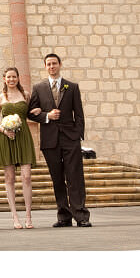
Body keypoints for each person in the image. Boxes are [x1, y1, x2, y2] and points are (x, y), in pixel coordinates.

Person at [28, 53, 91, 227]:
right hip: (50, 140)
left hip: (70, 139)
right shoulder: (38, 88)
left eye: (54, 63)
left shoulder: (72, 87)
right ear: (45, 66)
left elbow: (79, 114)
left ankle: (81, 215)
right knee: (57, 178)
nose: (52, 66)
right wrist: (46, 115)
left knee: (75, 177)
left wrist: (78, 135)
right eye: (48, 64)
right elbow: (30, 112)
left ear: (60, 64)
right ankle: (63, 216)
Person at [0, 67, 39, 229]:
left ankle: (28, 215)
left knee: (26, 176)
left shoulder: (25, 96)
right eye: (9, 77)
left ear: (18, 78)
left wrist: (39, 111)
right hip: (7, 138)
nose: (11, 79)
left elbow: (32, 114)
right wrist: (5, 131)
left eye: (14, 77)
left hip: (23, 136)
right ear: (4, 79)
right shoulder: (0, 98)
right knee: (9, 178)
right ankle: (15, 217)